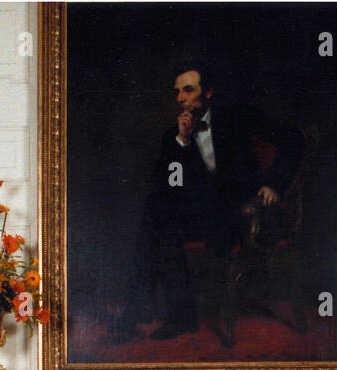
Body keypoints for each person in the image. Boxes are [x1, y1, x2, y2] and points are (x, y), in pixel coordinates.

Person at [120, 63, 303, 341]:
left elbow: (293, 138)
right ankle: (168, 316)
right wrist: (181, 142)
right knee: (157, 213)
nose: (180, 97)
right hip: (203, 217)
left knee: (158, 219)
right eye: (177, 92)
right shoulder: (173, 136)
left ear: (208, 92)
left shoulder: (238, 116)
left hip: (243, 214)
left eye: (188, 90)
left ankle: (145, 313)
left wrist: (274, 184)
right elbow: (166, 187)